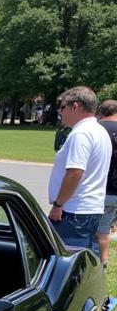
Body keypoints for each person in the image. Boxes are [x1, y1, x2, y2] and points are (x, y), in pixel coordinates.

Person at [47, 86, 112, 253]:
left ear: (75, 106)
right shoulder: (99, 131)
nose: (60, 112)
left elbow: (75, 172)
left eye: (62, 107)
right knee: (86, 257)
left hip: (74, 211)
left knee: (69, 261)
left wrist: (58, 204)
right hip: (91, 209)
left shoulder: (81, 134)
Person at [94, 99, 117, 267]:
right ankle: (103, 261)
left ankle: (97, 262)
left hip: (98, 188)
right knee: (104, 229)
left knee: (93, 232)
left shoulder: (95, 129)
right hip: (115, 191)